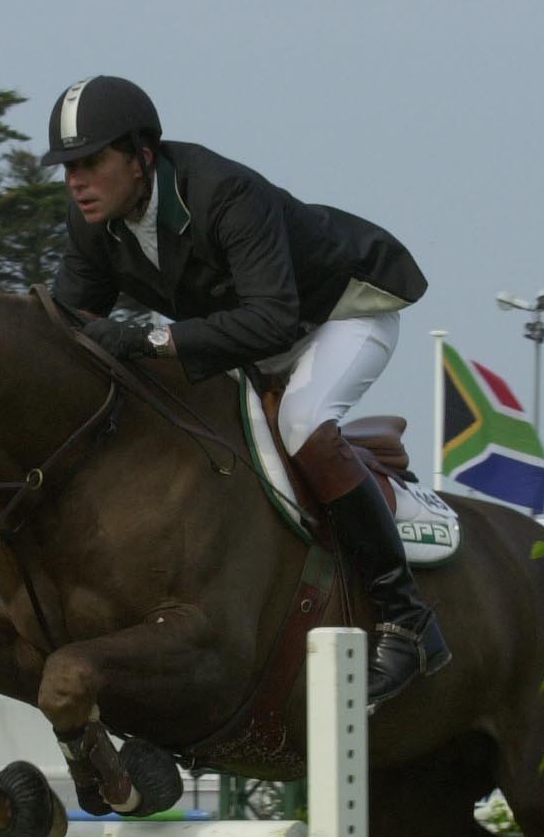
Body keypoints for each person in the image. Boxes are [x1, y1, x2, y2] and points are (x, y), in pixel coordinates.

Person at [43, 74, 450, 711]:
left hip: (339, 312)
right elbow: (67, 327)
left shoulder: (224, 193)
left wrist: (150, 341)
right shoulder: (93, 222)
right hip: (254, 334)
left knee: (302, 424)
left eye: (90, 162)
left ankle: (409, 620)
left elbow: (274, 321)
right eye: (68, 167)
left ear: (142, 156)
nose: (76, 181)